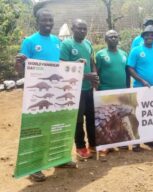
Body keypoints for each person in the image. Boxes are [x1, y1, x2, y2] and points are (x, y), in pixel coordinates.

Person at [15, 9, 77, 182]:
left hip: (56, 92)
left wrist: (76, 67)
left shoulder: (57, 41)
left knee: (58, 125)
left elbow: (61, 65)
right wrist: (18, 63)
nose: (48, 23)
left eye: (51, 20)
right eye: (45, 21)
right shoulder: (29, 42)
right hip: (37, 93)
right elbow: (21, 70)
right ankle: (34, 167)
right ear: (38, 22)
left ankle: (60, 159)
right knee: (38, 128)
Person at [60, 19, 99, 159]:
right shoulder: (66, 44)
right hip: (75, 90)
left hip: (89, 89)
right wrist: (85, 76)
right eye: (79, 28)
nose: (82, 31)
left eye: (84, 29)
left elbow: (92, 62)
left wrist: (94, 75)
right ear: (72, 29)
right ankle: (80, 147)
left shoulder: (88, 44)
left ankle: (93, 144)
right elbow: (63, 66)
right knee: (78, 120)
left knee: (91, 117)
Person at [127, 25, 153, 151]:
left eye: (152, 35)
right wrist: (142, 80)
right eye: (147, 34)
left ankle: (149, 139)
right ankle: (136, 142)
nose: (150, 37)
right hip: (140, 88)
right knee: (138, 115)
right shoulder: (136, 50)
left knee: (151, 115)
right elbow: (130, 68)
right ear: (143, 36)